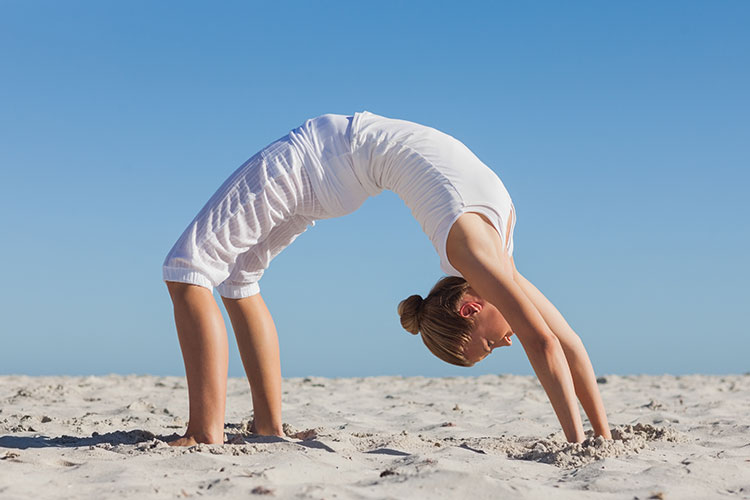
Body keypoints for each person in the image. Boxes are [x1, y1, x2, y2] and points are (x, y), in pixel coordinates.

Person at [162, 111, 611, 446]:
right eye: (490, 344)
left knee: (189, 268)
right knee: (235, 277)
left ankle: (205, 433)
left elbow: (558, 342)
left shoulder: (484, 253)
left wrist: (594, 442)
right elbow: (555, 342)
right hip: (327, 170)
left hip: (316, 163)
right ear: (470, 308)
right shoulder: (486, 256)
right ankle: (266, 427)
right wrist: (585, 441)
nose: (506, 343)